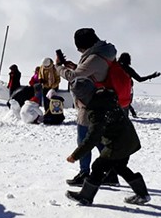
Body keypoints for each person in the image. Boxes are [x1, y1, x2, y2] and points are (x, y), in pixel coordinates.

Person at [65, 78, 151, 206]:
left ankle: (85, 196)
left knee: (98, 166)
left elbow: (92, 138)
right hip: (128, 138)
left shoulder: (97, 110)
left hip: (117, 143)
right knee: (119, 167)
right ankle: (142, 194)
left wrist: (75, 155)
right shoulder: (106, 96)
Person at [56, 28, 118, 187]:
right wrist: (78, 67)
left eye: (79, 47)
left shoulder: (95, 57)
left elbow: (72, 76)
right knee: (96, 139)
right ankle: (112, 172)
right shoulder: (105, 52)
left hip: (90, 103)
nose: (78, 50)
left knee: (84, 138)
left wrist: (59, 67)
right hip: (100, 100)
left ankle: (85, 173)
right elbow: (93, 72)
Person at [117, 52, 161, 118]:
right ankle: (128, 116)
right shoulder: (129, 69)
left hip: (116, 89)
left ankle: (130, 113)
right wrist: (152, 76)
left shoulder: (115, 67)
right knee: (126, 103)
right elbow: (139, 79)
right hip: (127, 90)